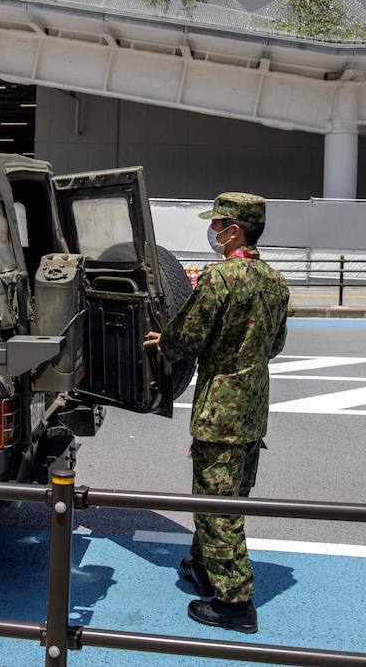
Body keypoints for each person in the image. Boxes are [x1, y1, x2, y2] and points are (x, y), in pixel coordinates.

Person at [143, 192, 290, 633]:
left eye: (218, 224)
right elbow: (277, 345)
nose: (213, 232)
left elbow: (187, 336)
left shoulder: (222, 278)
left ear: (234, 231)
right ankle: (203, 566)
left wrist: (162, 340)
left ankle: (235, 602)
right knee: (228, 493)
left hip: (220, 408)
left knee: (215, 507)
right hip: (253, 406)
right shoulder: (274, 280)